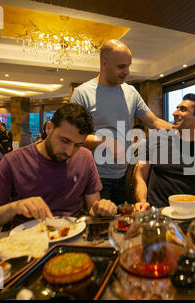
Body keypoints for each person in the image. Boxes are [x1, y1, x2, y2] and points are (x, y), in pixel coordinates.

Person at [0, 104, 117, 234]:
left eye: (78, 145)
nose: (70, 152)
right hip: (28, 243)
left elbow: (93, 207)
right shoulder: (14, 161)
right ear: (49, 128)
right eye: (65, 141)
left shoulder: (85, 158)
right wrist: (14, 207)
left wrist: (100, 209)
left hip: (71, 238)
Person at [70, 39, 173, 204]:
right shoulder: (82, 93)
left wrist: (189, 131)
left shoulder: (131, 92)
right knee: (100, 225)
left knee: (123, 225)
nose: (127, 72)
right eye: (121, 67)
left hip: (125, 175)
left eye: (128, 66)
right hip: (93, 176)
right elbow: (73, 137)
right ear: (104, 63)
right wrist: (106, 141)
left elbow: (154, 121)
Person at [133, 93, 195, 209]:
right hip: (155, 211)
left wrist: (193, 211)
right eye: (177, 108)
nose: (175, 113)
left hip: (190, 213)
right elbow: (140, 176)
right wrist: (142, 201)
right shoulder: (156, 139)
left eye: (183, 109)